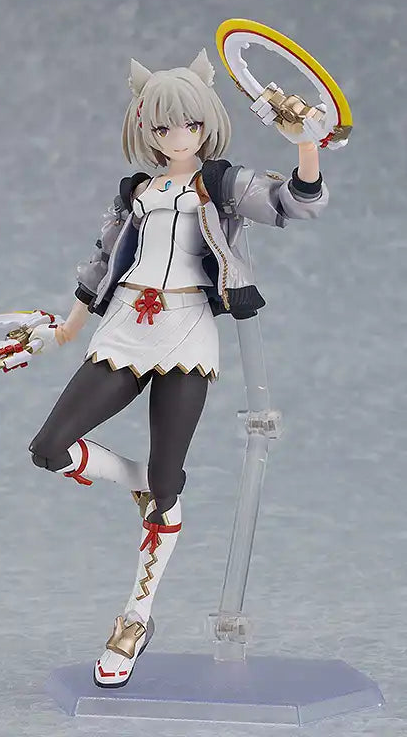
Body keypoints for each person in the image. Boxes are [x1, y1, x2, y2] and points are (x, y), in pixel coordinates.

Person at [28, 48, 329, 688]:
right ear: (147, 128)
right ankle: (147, 483)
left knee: (170, 480)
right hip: (125, 327)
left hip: (189, 331)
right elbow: (100, 263)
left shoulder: (223, 184)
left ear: (206, 122)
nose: (176, 136)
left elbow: (295, 203)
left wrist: (306, 143)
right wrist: (67, 328)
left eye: (188, 124)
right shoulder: (134, 192)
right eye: (163, 126)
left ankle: (135, 619)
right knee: (51, 447)